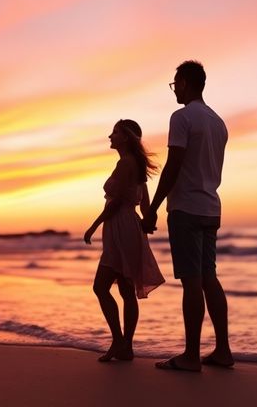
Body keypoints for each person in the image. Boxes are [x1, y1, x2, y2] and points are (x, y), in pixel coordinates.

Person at [142, 60, 234, 372]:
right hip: (211, 207)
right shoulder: (218, 122)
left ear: (185, 83)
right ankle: (223, 350)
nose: (174, 90)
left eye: (175, 84)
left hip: (186, 208)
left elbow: (174, 164)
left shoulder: (182, 118)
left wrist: (152, 207)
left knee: (192, 282)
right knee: (209, 278)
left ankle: (191, 356)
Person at [84, 119, 166, 362]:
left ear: (126, 138)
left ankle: (119, 342)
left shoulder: (125, 164)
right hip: (129, 227)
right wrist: (146, 223)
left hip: (120, 226)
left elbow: (117, 202)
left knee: (101, 286)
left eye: (115, 133)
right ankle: (125, 346)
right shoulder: (137, 166)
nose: (110, 136)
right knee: (126, 290)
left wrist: (93, 225)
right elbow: (146, 204)